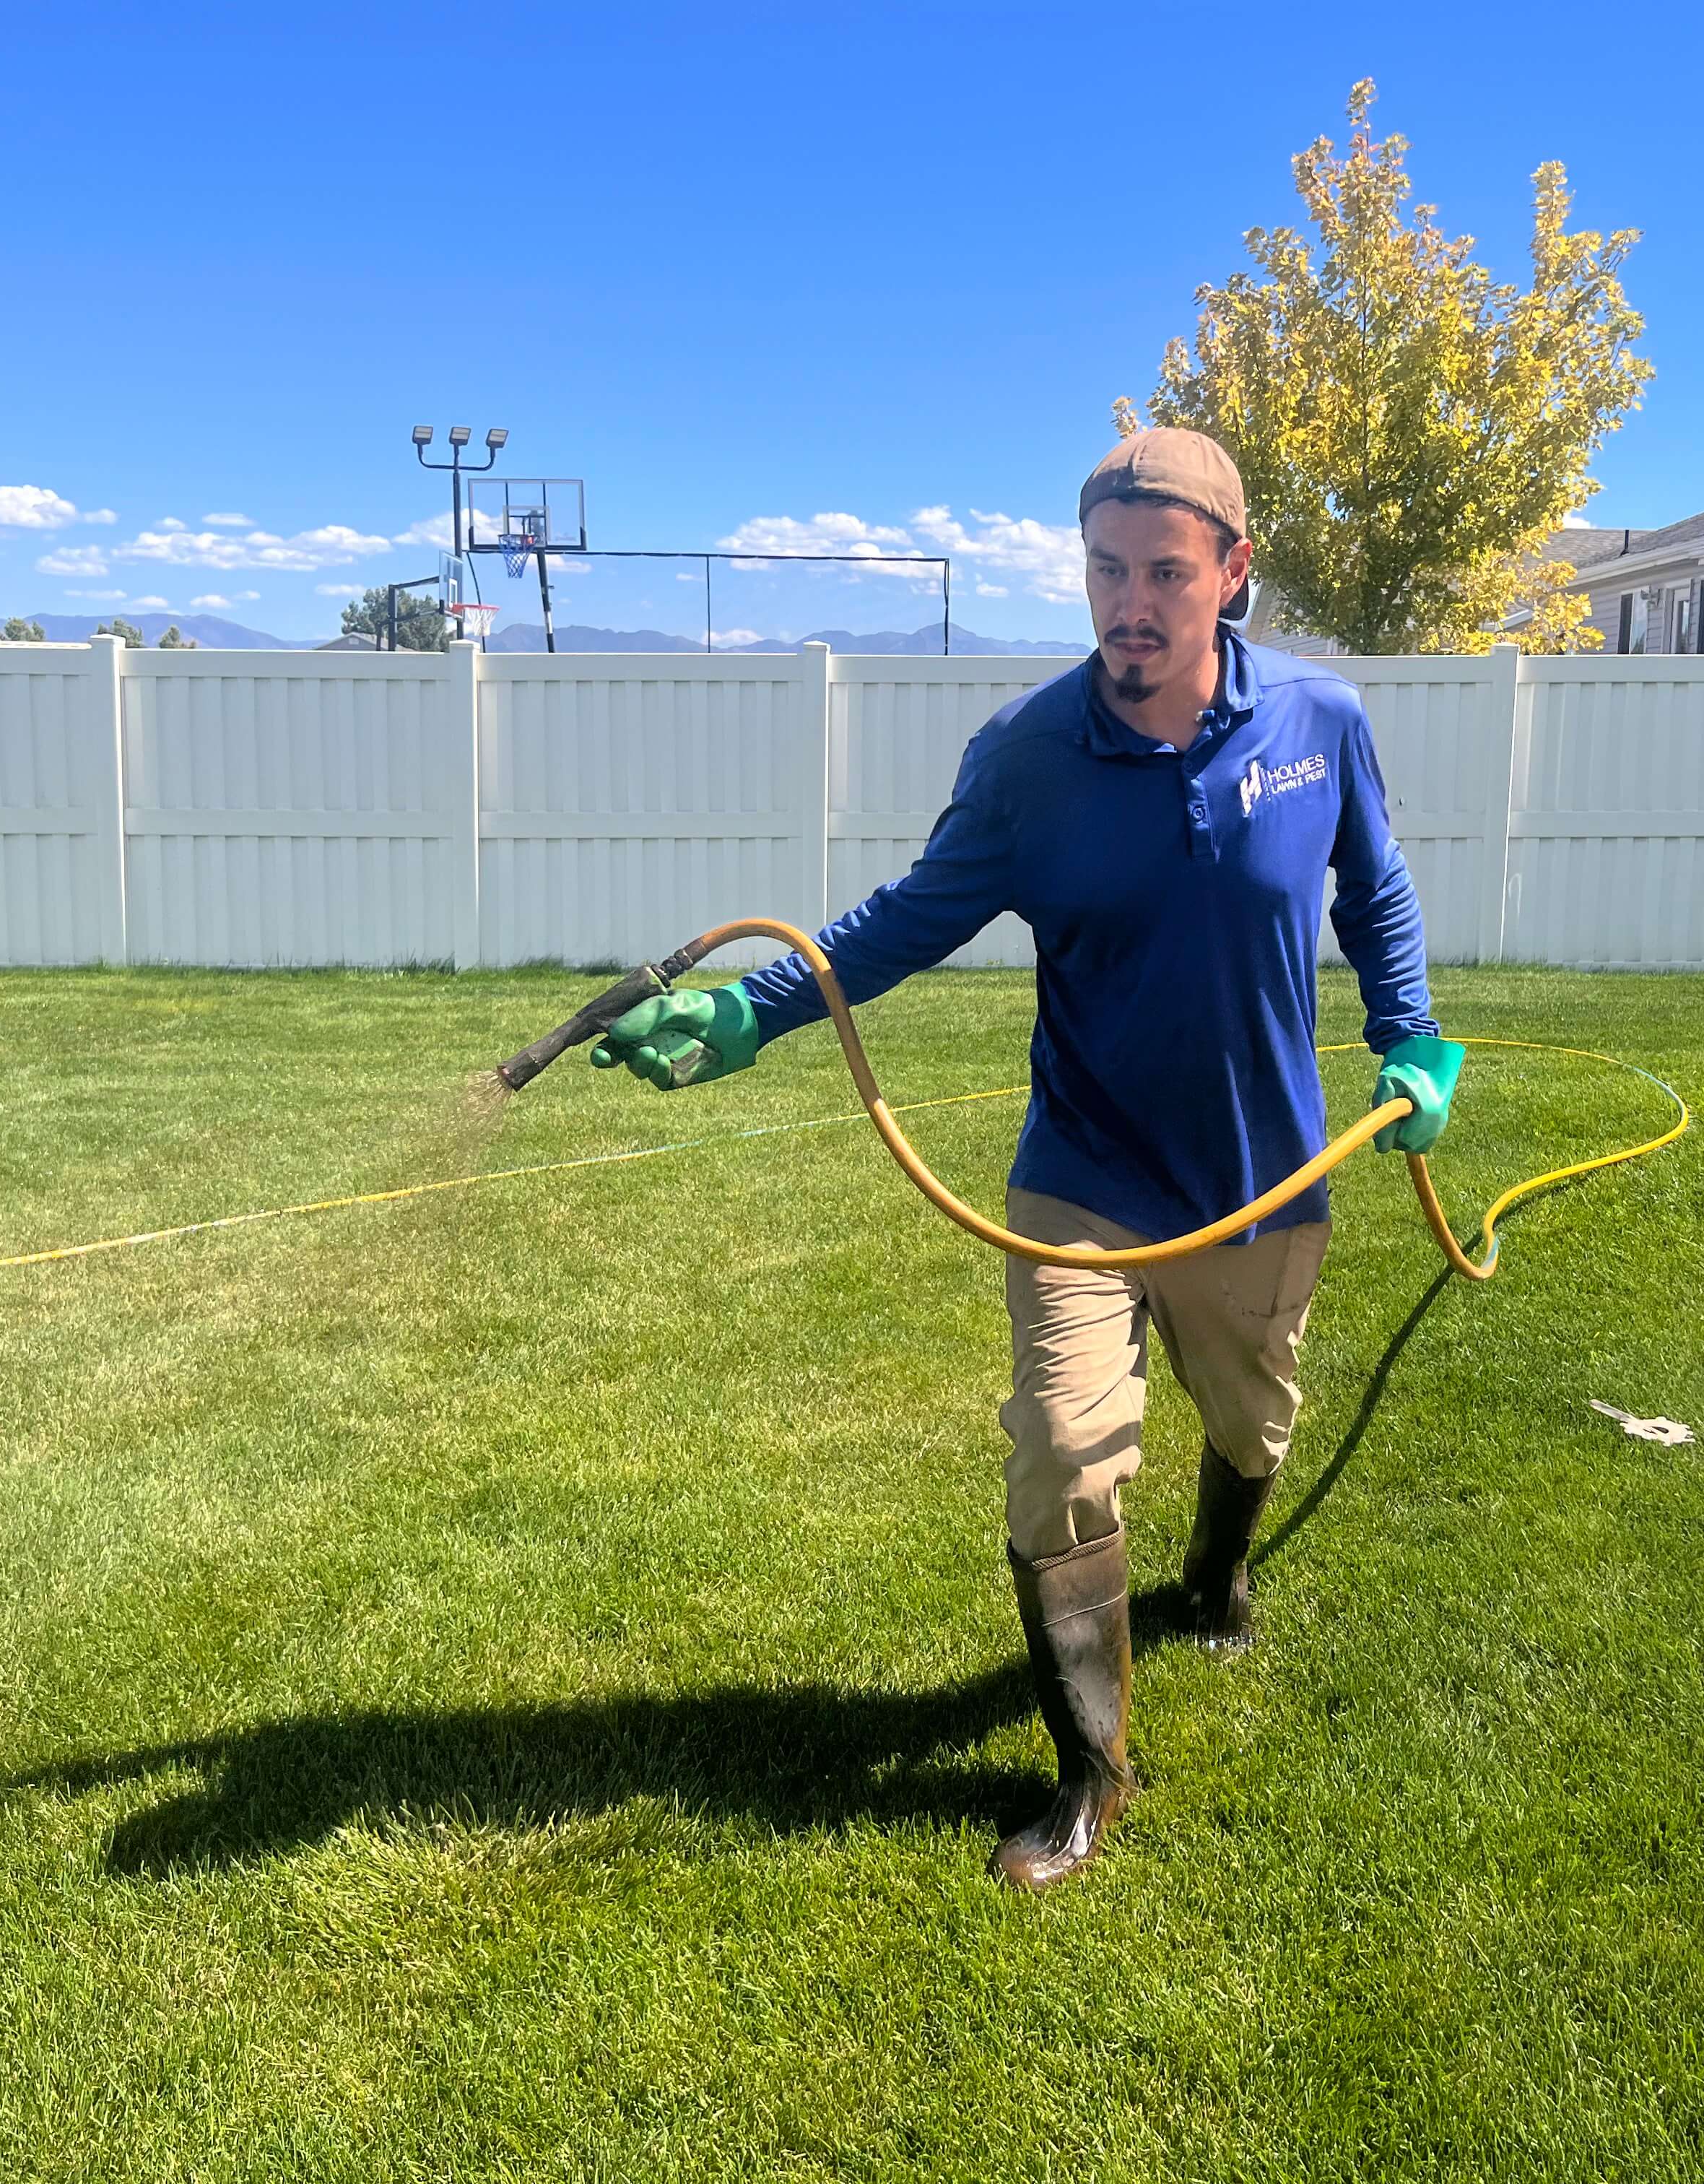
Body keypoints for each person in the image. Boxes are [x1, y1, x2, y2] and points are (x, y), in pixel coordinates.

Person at [594, 427, 1461, 1889]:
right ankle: (1091, 1771)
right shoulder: (1026, 760)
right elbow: (897, 923)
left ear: (1231, 575)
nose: (1132, 603)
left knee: (1254, 1422)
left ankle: (1218, 1571)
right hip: (1086, 1175)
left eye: (1166, 574)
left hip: (1265, 1178)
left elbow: (1373, 888)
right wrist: (754, 1010)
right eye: (1108, 571)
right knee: (1063, 1453)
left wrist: (1413, 1034)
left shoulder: (1321, 722)